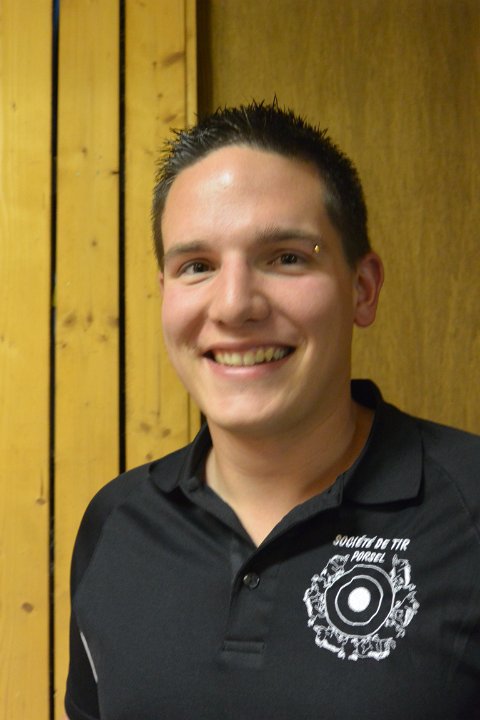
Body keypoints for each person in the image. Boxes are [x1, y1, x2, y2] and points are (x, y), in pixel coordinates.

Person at [65, 101, 480, 720]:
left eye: (286, 256)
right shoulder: (115, 524)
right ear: (164, 296)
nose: (234, 305)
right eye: (197, 266)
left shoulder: (470, 506)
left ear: (362, 288)